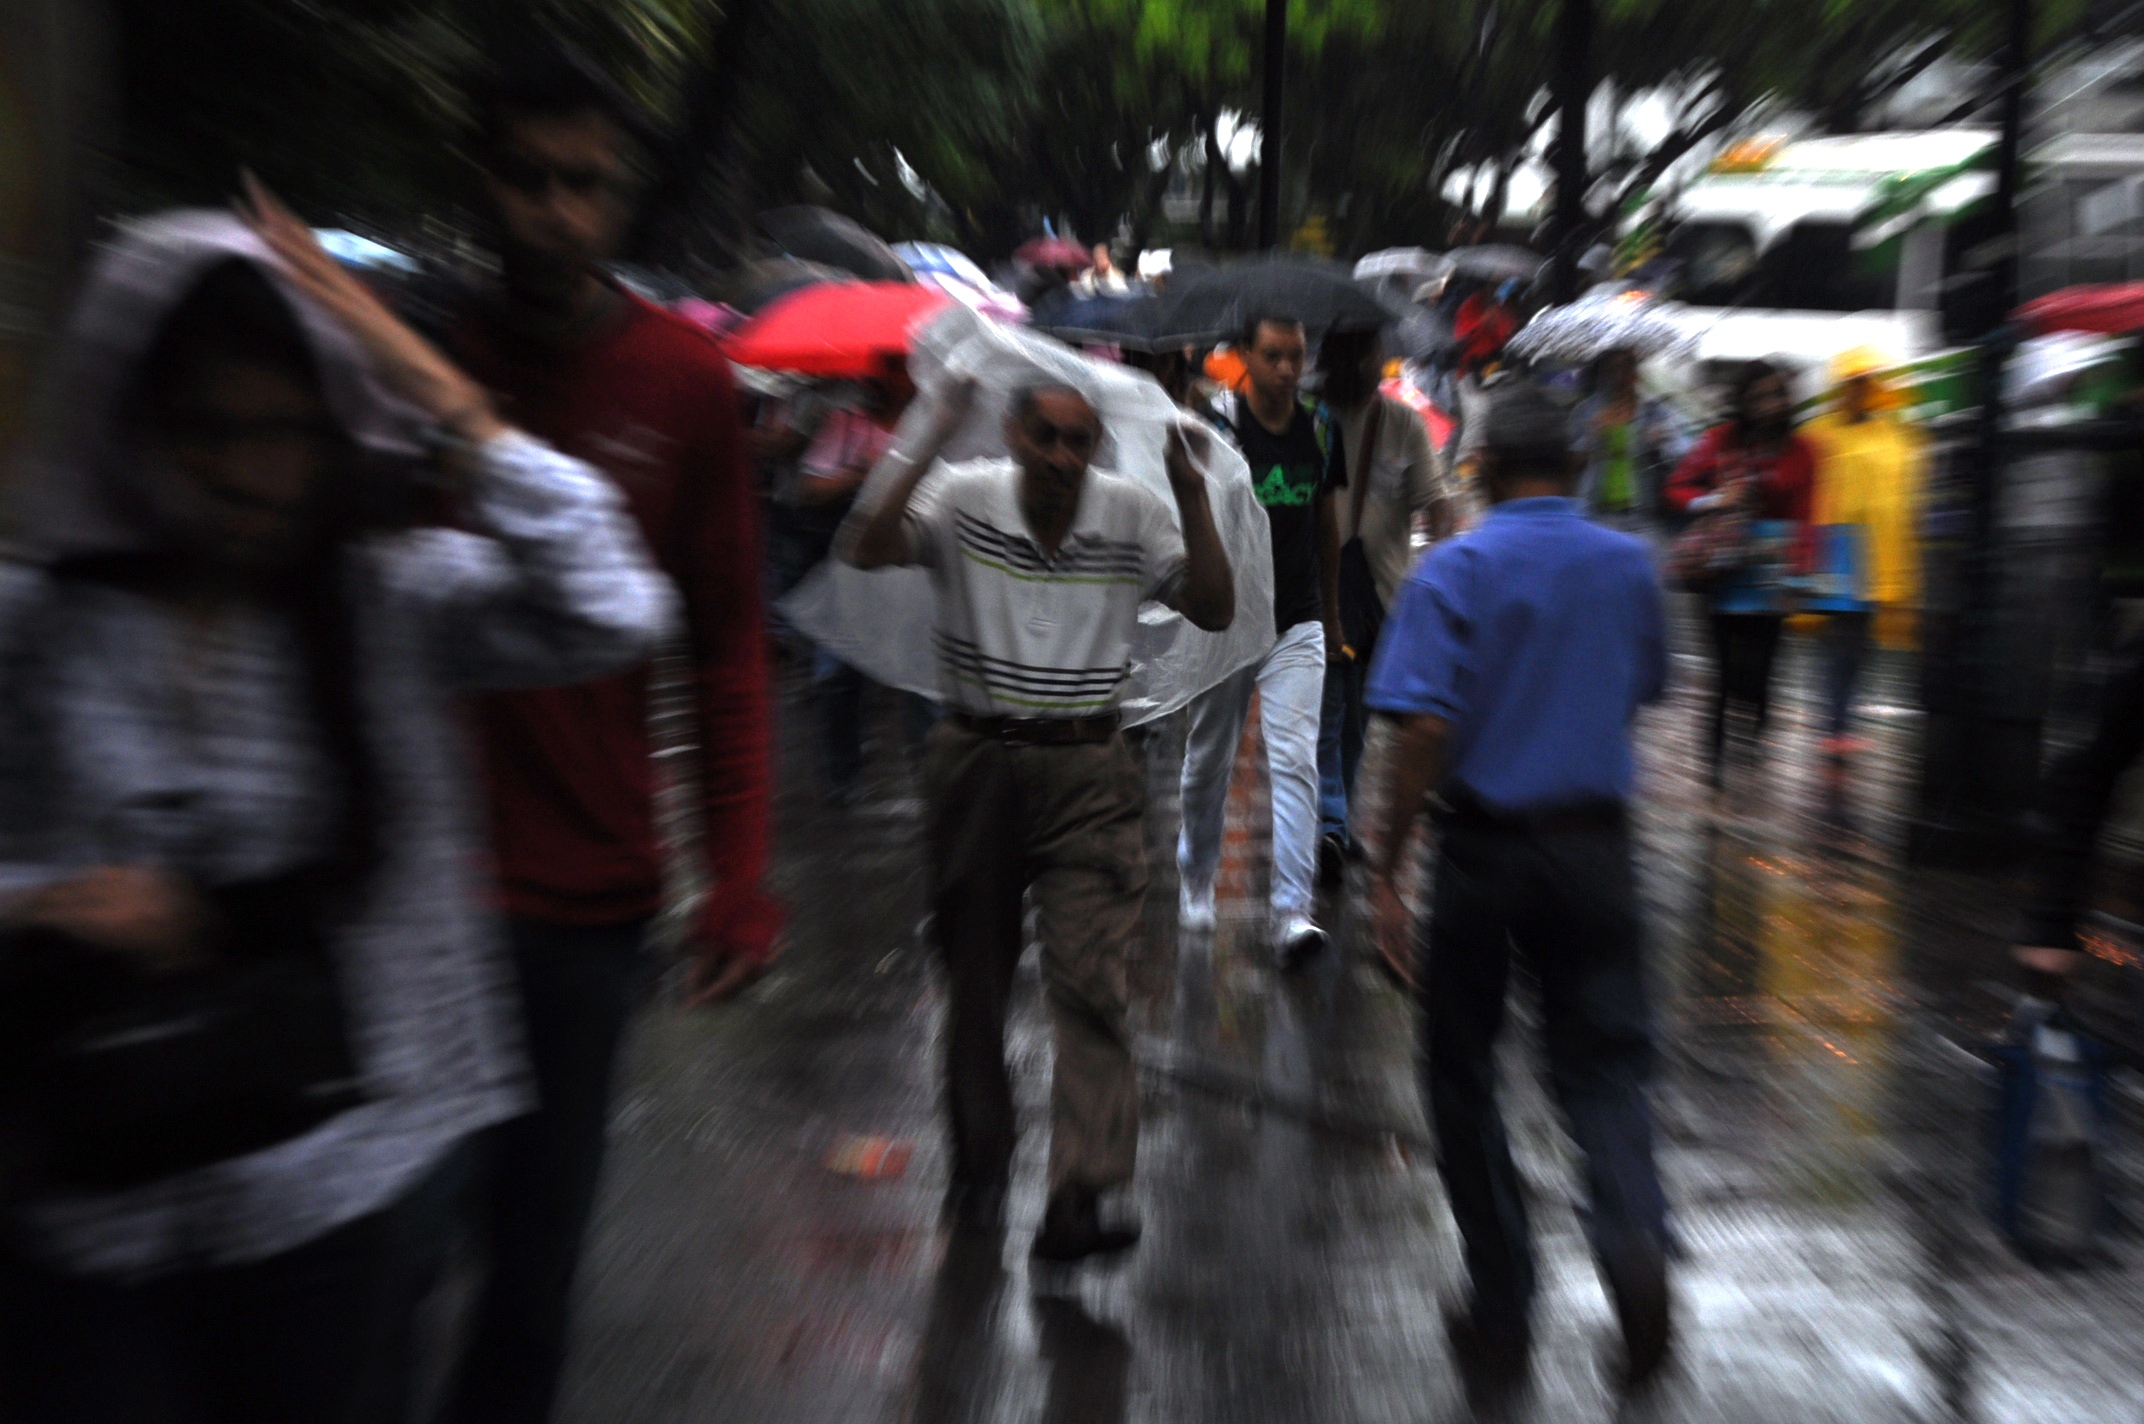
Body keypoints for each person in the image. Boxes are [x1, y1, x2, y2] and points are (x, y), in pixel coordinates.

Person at [0, 198, 672, 1422]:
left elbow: (612, 602)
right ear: (143, 425)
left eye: (281, 430)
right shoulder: (44, 624)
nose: (246, 470)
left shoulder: (388, 605)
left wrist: (432, 389)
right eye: (207, 428)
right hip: (95, 1198)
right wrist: (45, 901)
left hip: (335, 1185)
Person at [429, 46, 779, 1424]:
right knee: (385, 1259)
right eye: (525, 180)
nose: (554, 213)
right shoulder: (412, 366)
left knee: (530, 1288)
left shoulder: (682, 381)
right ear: (481, 182)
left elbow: (728, 650)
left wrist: (736, 883)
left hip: (587, 909)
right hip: (408, 894)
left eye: (582, 185)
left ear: (618, 192)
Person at [842, 380, 1234, 1259]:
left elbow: (1213, 605)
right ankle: (980, 1170)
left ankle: (1081, 1192)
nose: (1062, 456)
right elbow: (865, 547)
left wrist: (1193, 492)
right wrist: (928, 434)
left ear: (1096, 449)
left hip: (1092, 768)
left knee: (1093, 980)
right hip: (977, 761)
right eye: (1046, 436)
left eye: (1079, 442)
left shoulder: (1132, 511)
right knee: (974, 978)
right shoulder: (960, 494)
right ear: (1015, 434)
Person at [1363, 380, 1672, 1403]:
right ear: (1578, 465)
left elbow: (1420, 728)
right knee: (1605, 1067)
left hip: (1485, 854)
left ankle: (1502, 1287)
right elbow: (1642, 687)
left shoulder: (1454, 568)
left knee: (1460, 1068)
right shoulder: (1628, 566)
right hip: (1596, 850)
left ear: (1483, 467)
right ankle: (1632, 1239)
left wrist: (1387, 865)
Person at [1178, 313, 1347, 966]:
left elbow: (1326, 525)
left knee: (1296, 760)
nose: (1285, 369)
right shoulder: (1218, 428)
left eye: (1296, 356)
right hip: (1228, 620)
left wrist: (1330, 618)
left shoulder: (1321, 426)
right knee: (1209, 760)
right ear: (1244, 354)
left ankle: (1290, 915)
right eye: (1273, 355)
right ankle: (1195, 873)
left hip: (1296, 620)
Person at [1312, 327, 1454, 886]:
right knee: (1329, 715)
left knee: (1356, 723)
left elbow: (1436, 504)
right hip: (1318, 595)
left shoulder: (1402, 425)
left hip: (1382, 599)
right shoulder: (1308, 421)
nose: (1374, 362)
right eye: (1365, 352)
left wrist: (1443, 562)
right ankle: (1330, 821)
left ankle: (1335, 824)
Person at [1665, 360, 1815, 792]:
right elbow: (1675, 490)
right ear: (1744, 403)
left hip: (1773, 571)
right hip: (1720, 569)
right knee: (1723, 670)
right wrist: (1715, 499)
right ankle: (1713, 771)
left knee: (1764, 671)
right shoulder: (1718, 441)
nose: (1770, 405)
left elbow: (1807, 515)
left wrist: (1799, 578)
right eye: (1760, 397)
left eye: (1777, 395)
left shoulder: (1802, 449)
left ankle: (1750, 755)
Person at [794, 357, 935, 805]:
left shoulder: (936, 425)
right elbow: (809, 487)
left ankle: (933, 779)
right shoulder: (847, 423)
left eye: (905, 369)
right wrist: (861, 473)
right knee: (837, 677)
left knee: (924, 685)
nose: (896, 378)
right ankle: (841, 778)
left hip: (917, 576)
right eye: (891, 369)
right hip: (852, 574)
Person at [1799, 346, 1923, 759]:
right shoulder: (1817, 433)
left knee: (1859, 644)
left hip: (1876, 555)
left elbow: (1905, 492)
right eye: (1851, 383)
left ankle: (1841, 722)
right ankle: (1834, 724)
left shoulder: (1893, 434)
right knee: (1836, 641)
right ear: (1840, 387)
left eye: (1865, 383)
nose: (1858, 391)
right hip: (1833, 551)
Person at [1571, 346, 1688, 539]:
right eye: (1613, 369)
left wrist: (1662, 439)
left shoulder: (1654, 411)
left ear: (1636, 372)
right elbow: (1572, 466)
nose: (1620, 375)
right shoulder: (1585, 412)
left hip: (1643, 513)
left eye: (1627, 367)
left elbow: (1681, 455)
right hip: (1597, 511)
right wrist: (1592, 436)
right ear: (1603, 374)